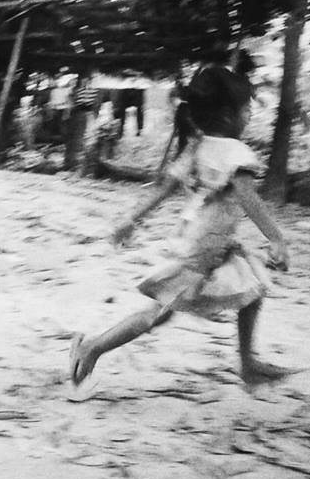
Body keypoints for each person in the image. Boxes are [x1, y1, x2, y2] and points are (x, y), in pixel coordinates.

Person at [69, 64, 290, 390]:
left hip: (202, 243)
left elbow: (164, 187)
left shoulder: (198, 147)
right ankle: (92, 348)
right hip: (202, 251)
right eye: (247, 109)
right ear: (230, 115)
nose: (250, 115)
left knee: (252, 290)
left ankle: (247, 364)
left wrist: (132, 220)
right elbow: (248, 198)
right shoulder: (236, 153)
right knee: (159, 313)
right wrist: (276, 239)